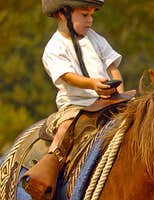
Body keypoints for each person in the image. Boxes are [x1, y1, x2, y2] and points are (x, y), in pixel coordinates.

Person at [21, 0, 124, 199]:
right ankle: (44, 179)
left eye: (92, 15)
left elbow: (112, 67)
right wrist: (93, 84)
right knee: (65, 128)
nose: (90, 20)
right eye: (84, 15)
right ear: (63, 14)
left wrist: (119, 91)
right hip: (75, 105)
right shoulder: (54, 47)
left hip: (109, 102)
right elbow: (67, 75)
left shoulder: (95, 39)